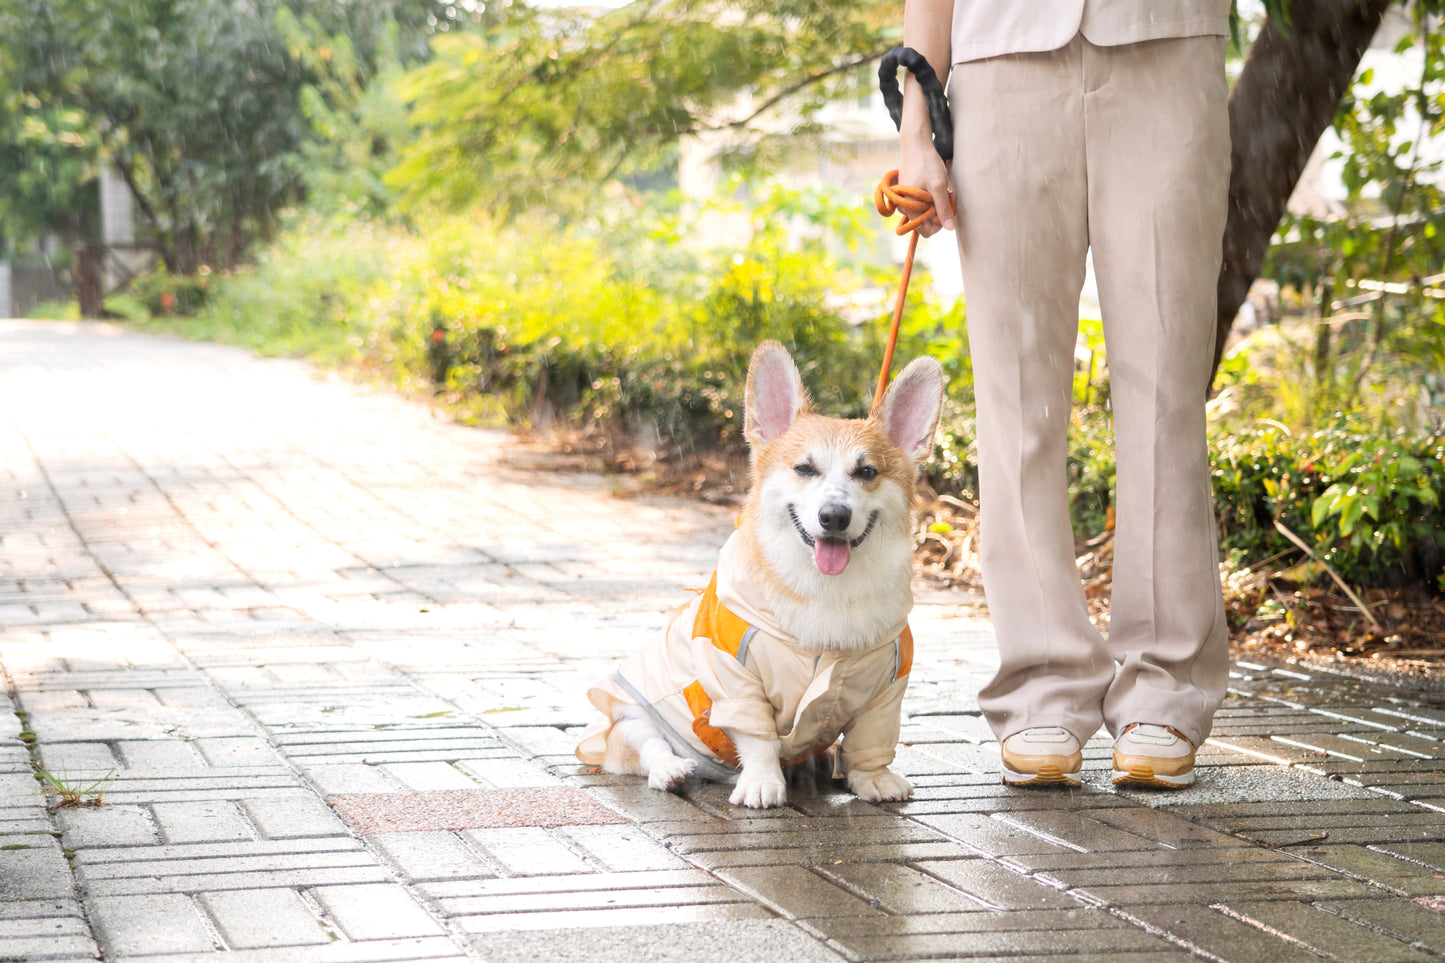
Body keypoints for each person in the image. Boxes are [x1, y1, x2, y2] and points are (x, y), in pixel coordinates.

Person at [897, 0, 1233, 788]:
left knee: (1164, 394)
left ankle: (1165, 688)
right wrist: (917, 123)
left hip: (1166, 48)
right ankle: (1040, 684)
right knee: (1015, 402)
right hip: (1001, 66)